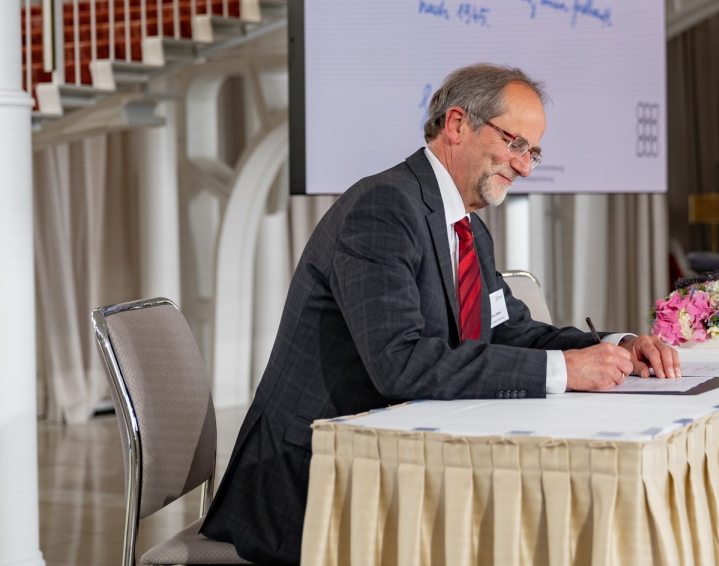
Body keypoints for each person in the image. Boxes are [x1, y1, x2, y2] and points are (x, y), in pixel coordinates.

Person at [201, 64, 680, 565]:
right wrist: (565, 371)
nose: (524, 168)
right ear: (457, 125)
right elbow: (400, 363)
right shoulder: (383, 209)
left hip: (393, 463)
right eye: (516, 144)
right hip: (310, 484)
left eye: (532, 152)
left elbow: (507, 328)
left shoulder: (466, 224)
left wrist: (611, 346)